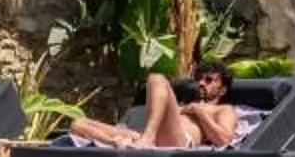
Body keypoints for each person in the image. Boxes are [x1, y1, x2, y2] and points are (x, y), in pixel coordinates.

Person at [60, 62, 261, 151]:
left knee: (156, 78)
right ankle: (117, 144)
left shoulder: (224, 110)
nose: (202, 83)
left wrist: (200, 113)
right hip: (149, 136)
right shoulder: (184, 104)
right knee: (78, 123)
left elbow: (225, 140)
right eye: (199, 79)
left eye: (209, 80)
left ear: (223, 89)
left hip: (178, 139)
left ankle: (146, 140)